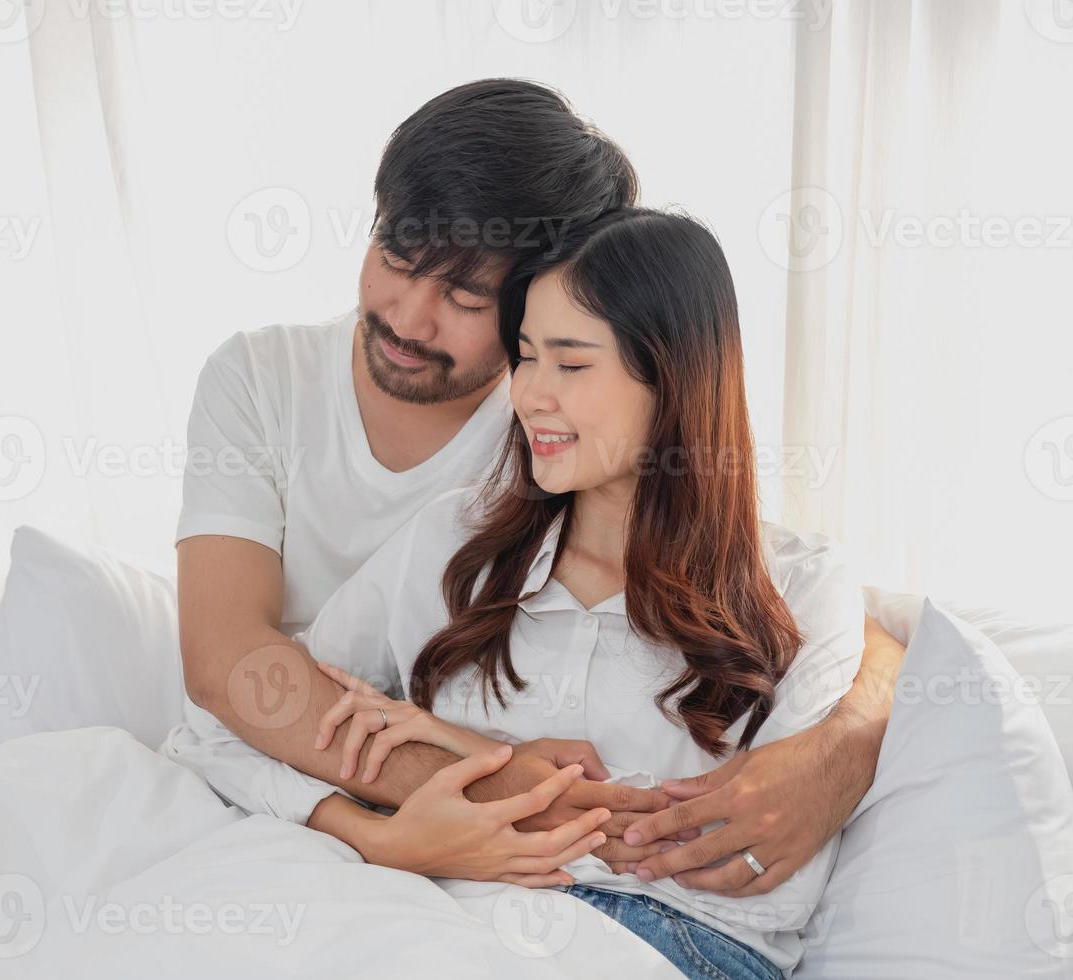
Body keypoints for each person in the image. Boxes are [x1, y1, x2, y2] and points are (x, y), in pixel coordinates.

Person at [162, 78, 905, 902]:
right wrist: (462, 791)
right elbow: (223, 665)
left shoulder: (554, 438)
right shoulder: (265, 381)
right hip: (337, 789)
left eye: (467, 297)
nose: (409, 318)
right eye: (396, 260)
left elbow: (803, 600)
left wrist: (851, 733)